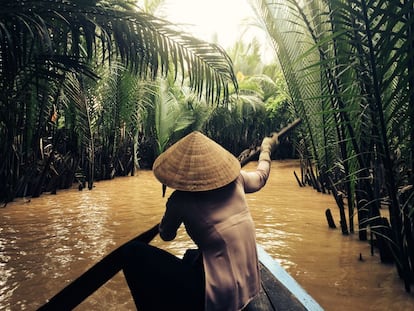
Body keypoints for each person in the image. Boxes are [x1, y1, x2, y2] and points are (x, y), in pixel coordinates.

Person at [122, 131, 279, 311]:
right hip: (250, 284)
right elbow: (261, 176)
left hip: (222, 298)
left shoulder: (179, 200)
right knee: (191, 255)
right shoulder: (238, 179)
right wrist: (266, 148)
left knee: (131, 251)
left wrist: (167, 218)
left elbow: (166, 235)